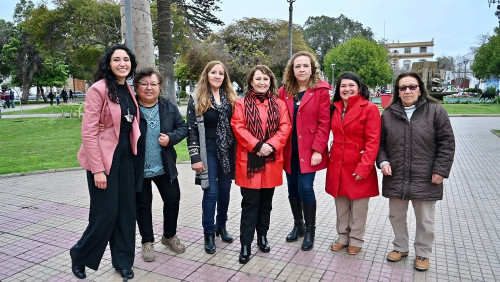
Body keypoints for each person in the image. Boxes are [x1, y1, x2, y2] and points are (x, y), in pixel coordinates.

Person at [70, 44, 140, 280]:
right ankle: (80, 256)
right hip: (103, 159)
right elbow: (88, 132)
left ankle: (123, 262)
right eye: (117, 59)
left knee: (126, 212)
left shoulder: (128, 89)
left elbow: (129, 122)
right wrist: (98, 170)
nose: (122, 63)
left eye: (126, 60)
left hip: (126, 157)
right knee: (105, 213)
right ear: (108, 64)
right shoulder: (98, 89)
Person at [377, 72, 455, 271]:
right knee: (396, 216)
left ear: (420, 89)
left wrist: (441, 170)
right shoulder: (388, 114)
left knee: (425, 220)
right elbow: (380, 144)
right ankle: (400, 247)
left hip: (427, 176)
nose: (407, 91)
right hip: (396, 176)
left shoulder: (436, 111)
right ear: (398, 91)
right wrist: (383, 161)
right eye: (403, 88)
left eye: (412, 87)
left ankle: (423, 253)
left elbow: (447, 143)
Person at [231, 65, 291, 264]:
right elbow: (238, 127)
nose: (262, 82)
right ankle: (245, 244)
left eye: (266, 79)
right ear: (251, 81)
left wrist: (270, 146)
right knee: (249, 205)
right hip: (249, 161)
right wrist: (257, 145)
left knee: (266, 204)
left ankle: (262, 237)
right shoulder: (241, 104)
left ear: (271, 82)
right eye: (258, 79)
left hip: (271, 161)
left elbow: (285, 127)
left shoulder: (279, 104)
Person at [134, 67, 188, 261]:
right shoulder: (131, 107)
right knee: (143, 205)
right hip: (138, 168)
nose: (149, 88)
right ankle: (147, 241)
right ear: (137, 86)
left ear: (160, 87)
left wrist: (171, 138)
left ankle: (169, 236)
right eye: (144, 84)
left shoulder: (168, 106)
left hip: (164, 165)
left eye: (153, 84)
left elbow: (182, 127)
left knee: (173, 199)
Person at [278, 51, 331, 251]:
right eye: (297, 66)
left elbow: (324, 123)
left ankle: (310, 230)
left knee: (305, 188)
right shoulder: (285, 91)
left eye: (305, 66)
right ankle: (297, 225)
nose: (301, 69)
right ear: (292, 70)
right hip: (289, 149)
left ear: (312, 69)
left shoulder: (321, 90)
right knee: (292, 188)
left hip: (309, 150)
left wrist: (318, 149)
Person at [326, 72, 381, 256]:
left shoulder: (369, 108)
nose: (347, 89)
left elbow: (373, 141)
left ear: (359, 87)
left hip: (358, 163)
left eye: (351, 85)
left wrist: (364, 167)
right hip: (337, 164)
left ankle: (356, 239)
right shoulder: (335, 107)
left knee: (358, 207)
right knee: (341, 205)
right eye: (343, 86)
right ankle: (342, 237)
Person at [187, 61, 239, 254]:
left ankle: (221, 226)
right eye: (213, 72)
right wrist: (195, 158)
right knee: (211, 191)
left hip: (227, 149)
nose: (217, 76)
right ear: (206, 75)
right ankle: (208, 233)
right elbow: (191, 130)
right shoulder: (197, 97)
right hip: (207, 148)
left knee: (225, 190)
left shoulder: (232, 98)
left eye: (221, 73)